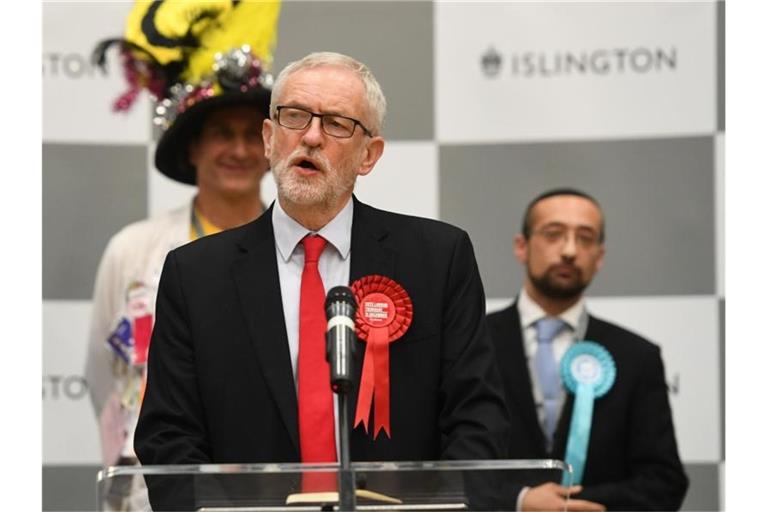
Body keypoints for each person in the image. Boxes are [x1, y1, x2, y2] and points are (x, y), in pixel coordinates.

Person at [134, 51, 511, 509]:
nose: (310, 137)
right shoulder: (194, 274)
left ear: (369, 155)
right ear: (270, 138)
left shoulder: (437, 258)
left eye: (336, 124)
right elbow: (168, 437)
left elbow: (478, 420)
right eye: (294, 117)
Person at [84, 1, 281, 509]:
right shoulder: (134, 250)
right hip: (155, 494)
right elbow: (105, 378)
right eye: (221, 133)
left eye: (251, 134)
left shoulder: (299, 247)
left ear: (273, 149)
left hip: (275, 490)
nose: (238, 150)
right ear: (191, 148)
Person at [486, 188, 689, 511]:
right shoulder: (471, 343)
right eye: (554, 234)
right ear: (521, 247)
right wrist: (520, 501)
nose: (569, 250)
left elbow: (664, 481)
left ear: (600, 257)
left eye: (585, 238)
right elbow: (443, 466)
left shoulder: (637, 357)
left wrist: (573, 505)